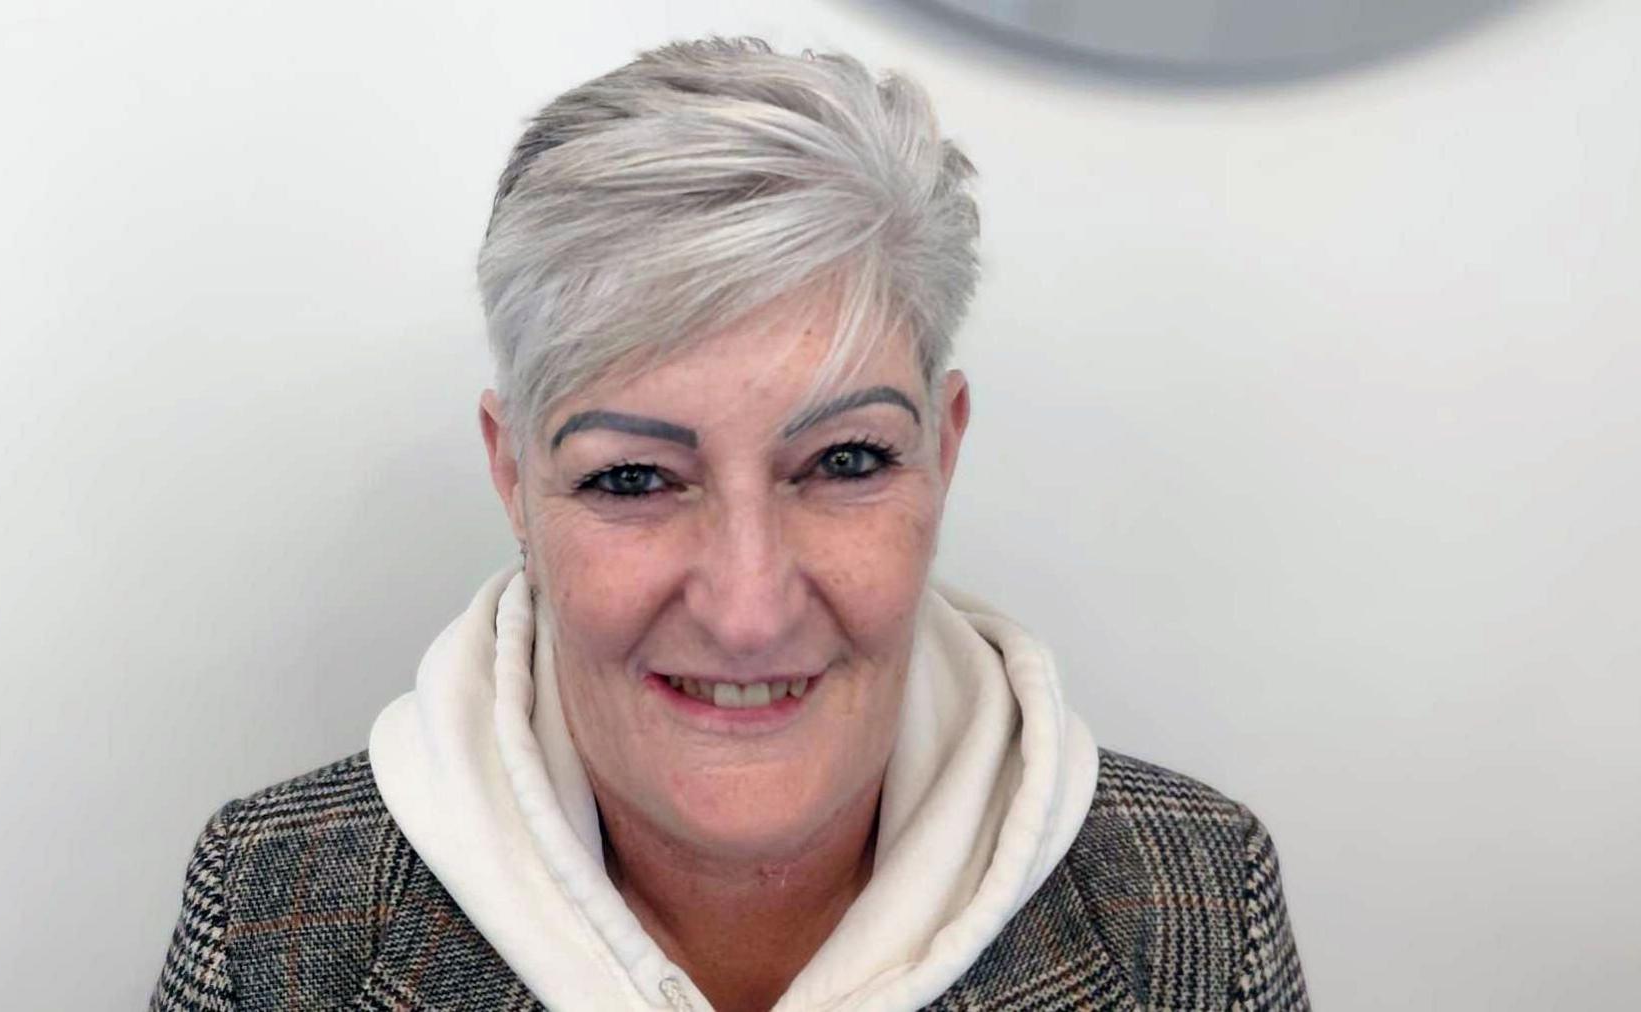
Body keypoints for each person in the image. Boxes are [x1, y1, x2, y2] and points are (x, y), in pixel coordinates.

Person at [149, 37, 1308, 1012]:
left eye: (845, 461)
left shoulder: (1194, 903)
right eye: (636, 480)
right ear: (513, 477)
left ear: (942, 454)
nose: (748, 612)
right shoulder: (272, 915)